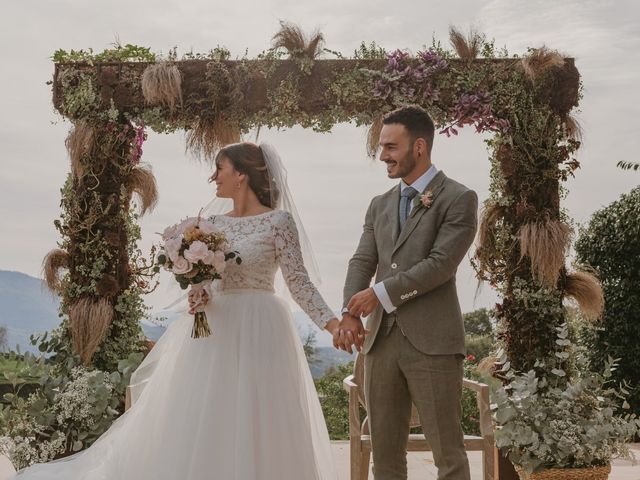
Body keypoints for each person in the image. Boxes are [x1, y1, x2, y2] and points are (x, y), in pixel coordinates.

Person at [11, 142, 340, 479]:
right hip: (217, 327)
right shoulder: (210, 224)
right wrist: (199, 292)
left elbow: (299, 282)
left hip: (263, 326)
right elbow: (210, 280)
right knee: (211, 412)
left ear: (241, 175)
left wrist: (333, 324)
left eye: (220, 169)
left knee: (265, 412)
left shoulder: (278, 222)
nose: (214, 177)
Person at [335, 105, 478, 480]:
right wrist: (351, 312)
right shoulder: (379, 205)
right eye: (381, 147)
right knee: (385, 458)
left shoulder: (459, 198)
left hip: (434, 343)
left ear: (419, 147)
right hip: (379, 344)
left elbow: (440, 264)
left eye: (390, 147)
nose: (382, 155)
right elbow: (361, 260)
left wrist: (378, 295)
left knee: (448, 455)